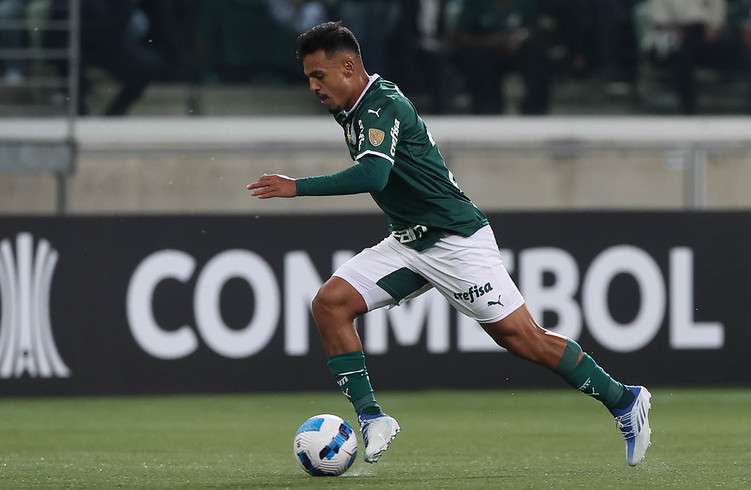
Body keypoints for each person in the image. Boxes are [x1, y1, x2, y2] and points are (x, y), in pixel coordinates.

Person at [246, 21, 652, 466]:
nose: (312, 87)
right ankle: (371, 418)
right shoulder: (355, 109)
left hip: (456, 242)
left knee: (522, 339)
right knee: (330, 304)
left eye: (318, 75)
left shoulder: (380, 105)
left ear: (348, 67)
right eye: (308, 77)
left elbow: (373, 175)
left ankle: (623, 398)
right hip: (408, 243)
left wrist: (296, 187)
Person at [451, 0, 552, 114]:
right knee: (479, 57)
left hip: (520, 50)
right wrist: (491, 41)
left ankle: (535, 108)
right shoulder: (476, 3)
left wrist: (523, 36)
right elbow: (460, 36)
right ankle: (488, 107)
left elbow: (538, 26)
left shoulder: (527, 3)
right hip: (486, 51)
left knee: (537, 53)